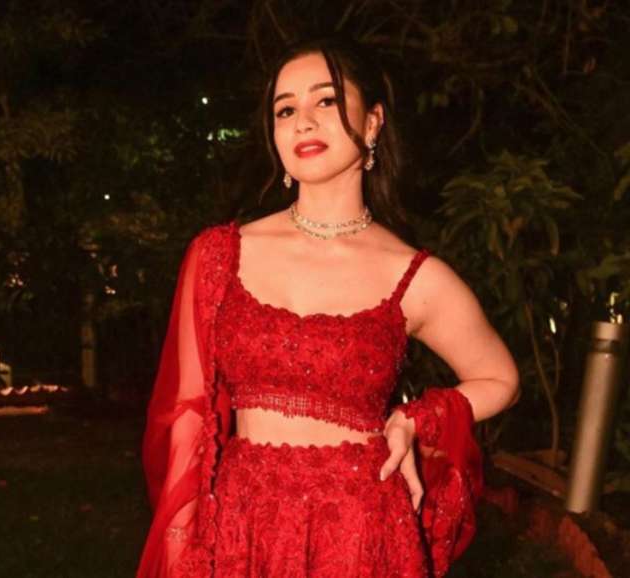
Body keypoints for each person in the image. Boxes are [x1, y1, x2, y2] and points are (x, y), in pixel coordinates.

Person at [137, 35, 520, 578]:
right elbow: (187, 418)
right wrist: (181, 552)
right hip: (241, 529)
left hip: (360, 533)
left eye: (326, 100)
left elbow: (501, 378)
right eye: (285, 109)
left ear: (373, 123)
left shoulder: (416, 276)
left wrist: (413, 420)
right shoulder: (219, 254)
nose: (304, 122)